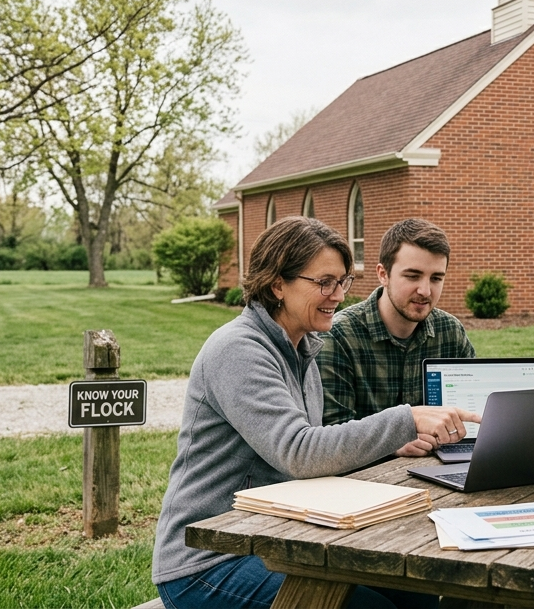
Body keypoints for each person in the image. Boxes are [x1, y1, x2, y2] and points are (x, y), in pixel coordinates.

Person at [153, 216, 479, 609]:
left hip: (279, 537)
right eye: (324, 283)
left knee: (420, 592)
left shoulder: (303, 348)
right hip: (208, 561)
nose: (338, 296)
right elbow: (299, 451)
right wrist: (408, 419)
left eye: (342, 282)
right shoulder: (239, 349)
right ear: (277, 284)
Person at [319, 218, 475, 458]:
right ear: (383, 274)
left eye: (436, 278)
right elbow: (330, 435)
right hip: (365, 484)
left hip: (440, 469)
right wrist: (391, 444)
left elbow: (471, 415)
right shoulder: (339, 337)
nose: (425, 290)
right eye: (413, 276)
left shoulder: (450, 332)